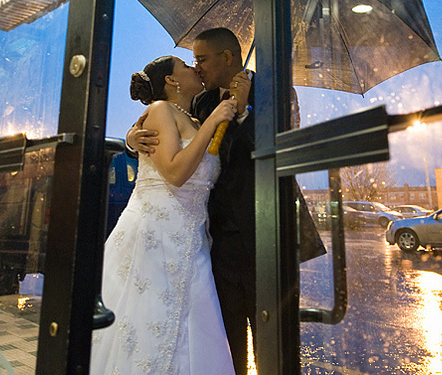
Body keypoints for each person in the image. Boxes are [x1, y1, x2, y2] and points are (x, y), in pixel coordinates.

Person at [127, 27, 325, 374]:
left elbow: (284, 147)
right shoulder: (200, 103)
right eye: (192, 62)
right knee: (225, 345)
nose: (196, 67)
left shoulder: (276, 91)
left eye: (201, 59)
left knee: (274, 346)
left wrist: (245, 112)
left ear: (228, 58)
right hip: (217, 243)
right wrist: (132, 138)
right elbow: (172, 142)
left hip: (267, 238)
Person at [90, 55, 237, 375]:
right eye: (186, 65)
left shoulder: (196, 117)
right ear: (171, 81)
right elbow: (174, 172)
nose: (195, 68)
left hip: (191, 241)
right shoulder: (160, 110)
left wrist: (214, 118)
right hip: (154, 236)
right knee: (146, 326)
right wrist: (213, 121)